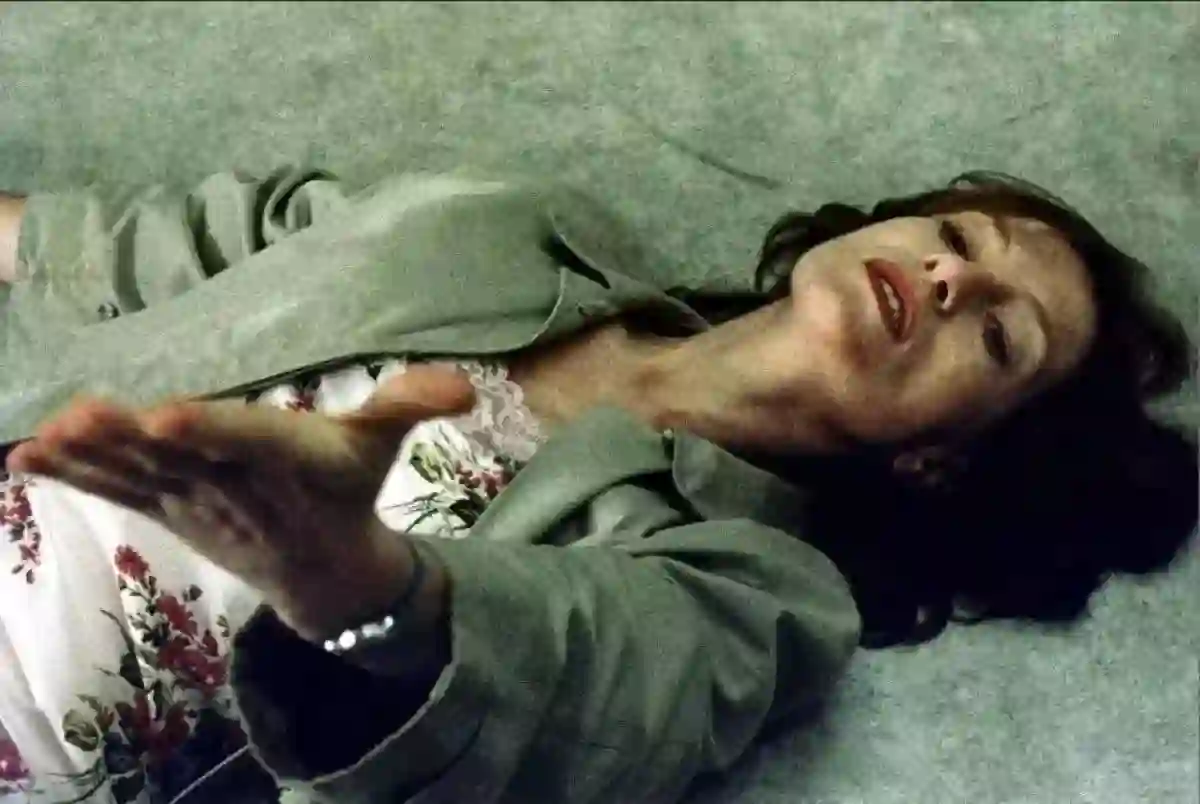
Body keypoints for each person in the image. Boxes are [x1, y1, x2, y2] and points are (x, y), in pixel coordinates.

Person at [0, 168, 1193, 804]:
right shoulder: (515, 225)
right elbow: (232, 238)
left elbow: (576, 688)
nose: (948, 278)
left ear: (945, 458)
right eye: (962, 237)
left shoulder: (751, 590)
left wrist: (342, 575)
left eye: (999, 336)